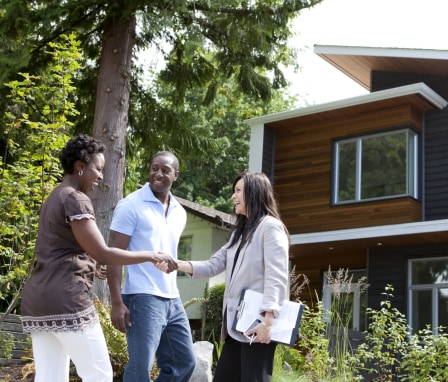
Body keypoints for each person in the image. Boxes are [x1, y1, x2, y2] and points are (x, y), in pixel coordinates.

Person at [21, 134, 177, 382]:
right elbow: (103, 252)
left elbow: (62, 247)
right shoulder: (75, 198)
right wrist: (151, 255)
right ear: (80, 167)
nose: (101, 176)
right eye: (98, 168)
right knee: (100, 375)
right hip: (67, 299)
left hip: (38, 302)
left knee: (50, 377)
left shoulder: (55, 195)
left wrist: (90, 262)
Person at [173, 172, 290, 382]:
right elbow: (212, 265)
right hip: (236, 326)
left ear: (253, 193)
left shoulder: (270, 227)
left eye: (238, 191)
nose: (233, 197)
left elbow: (277, 275)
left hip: (258, 325)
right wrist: (176, 264)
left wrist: (268, 322)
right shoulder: (240, 234)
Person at [107, 151, 196, 382]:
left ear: (175, 175)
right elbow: (113, 256)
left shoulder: (180, 212)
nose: (158, 173)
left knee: (184, 362)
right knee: (140, 369)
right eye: (154, 168)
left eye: (165, 170)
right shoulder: (131, 205)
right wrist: (116, 302)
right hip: (141, 297)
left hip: (172, 298)